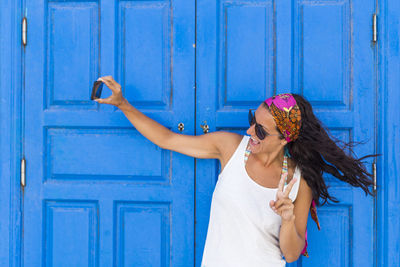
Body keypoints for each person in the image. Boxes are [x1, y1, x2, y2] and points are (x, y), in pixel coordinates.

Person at [94, 76, 377, 266]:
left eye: (261, 131)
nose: (250, 130)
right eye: (253, 120)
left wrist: (288, 218)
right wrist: (123, 105)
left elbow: (291, 253)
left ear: (284, 139)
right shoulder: (230, 148)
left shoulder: (298, 181)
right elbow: (167, 139)